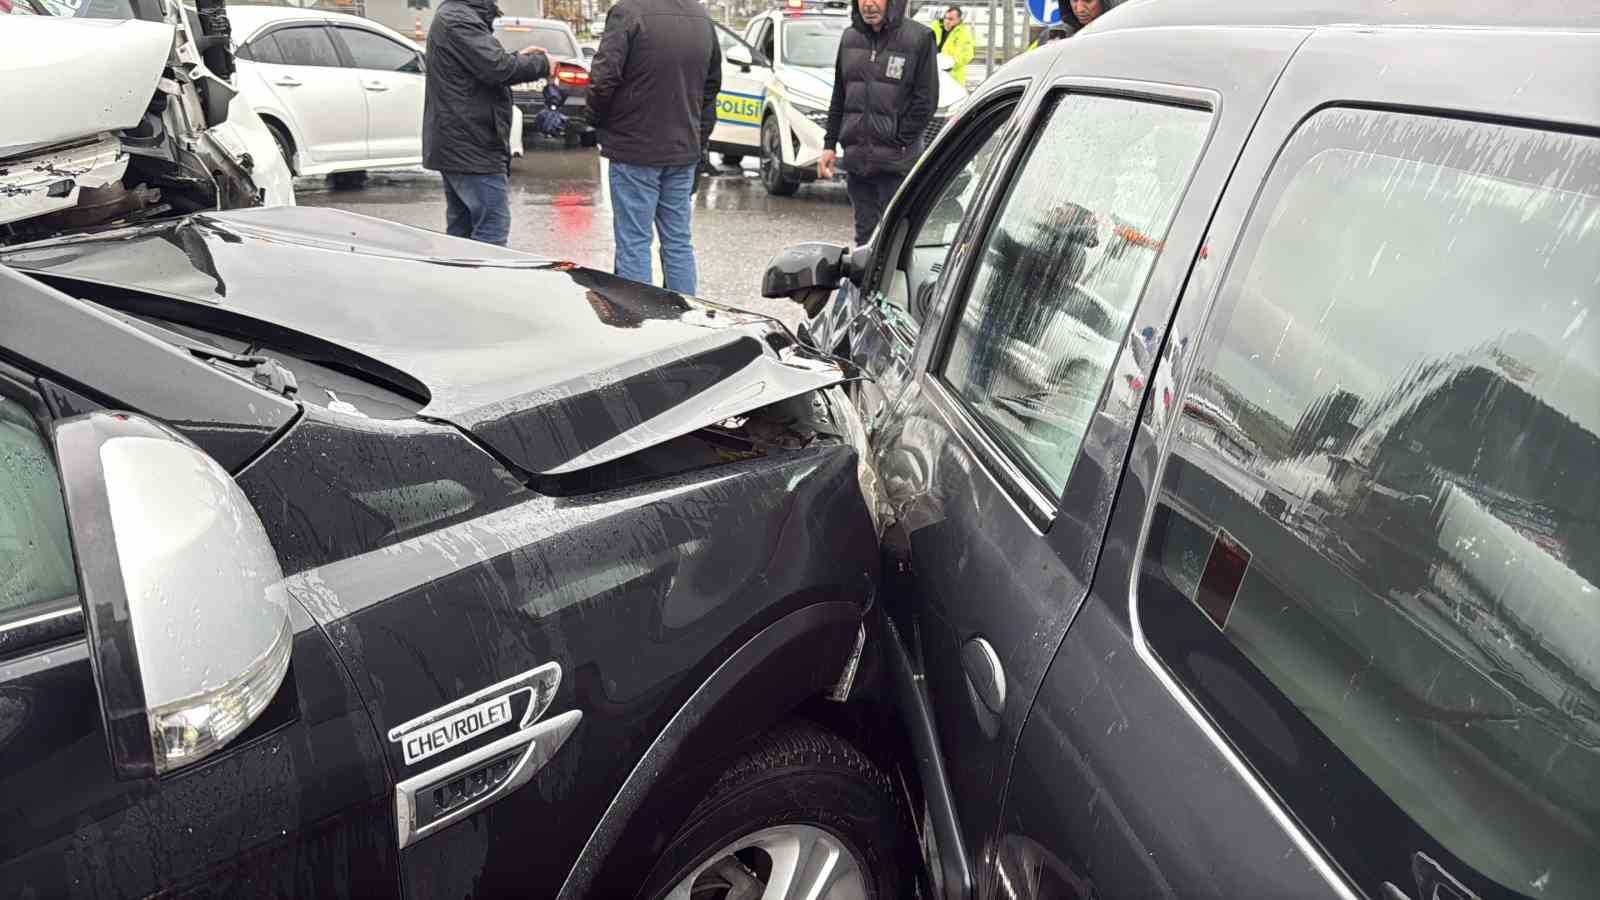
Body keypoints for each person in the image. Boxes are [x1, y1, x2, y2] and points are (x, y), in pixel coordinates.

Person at [588, 0, 722, 295]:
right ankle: (686, 316)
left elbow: (603, 79)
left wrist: (597, 121)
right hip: (682, 148)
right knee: (677, 241)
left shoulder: (628, 12)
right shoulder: (701, 17)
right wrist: (698, 139)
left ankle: (639, 322)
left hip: (634, 148)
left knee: (634, 241)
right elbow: (711, 87)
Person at [422, 0, 550, 246]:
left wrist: (517, 58)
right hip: (471, 145)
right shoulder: (458, 18)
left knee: (463, 232)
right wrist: (543, 64)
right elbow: (498, 69)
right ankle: (482, 283)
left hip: (463, 143)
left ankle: (460, 283)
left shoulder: (458, 14)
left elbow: (484, 64)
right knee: (491, 231)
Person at [820, 0, 939, 246]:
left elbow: (926, 100)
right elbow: (840, 96)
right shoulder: (849, 38)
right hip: (858, 164)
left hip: (896, 166)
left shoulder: (919, 38)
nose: (868, 4)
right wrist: (830, 144)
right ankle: (864, 284)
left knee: (894, 240)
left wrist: (899, 139)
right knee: (864, 239)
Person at [931, 5, 974, 88]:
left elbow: (967, 54)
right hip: (933, 74)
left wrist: (951, 65)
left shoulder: (963, 33)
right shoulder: (935, 27)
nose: (946, 21)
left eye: (951, 19)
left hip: (953, 77)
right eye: (945, 18)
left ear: (959, 20)